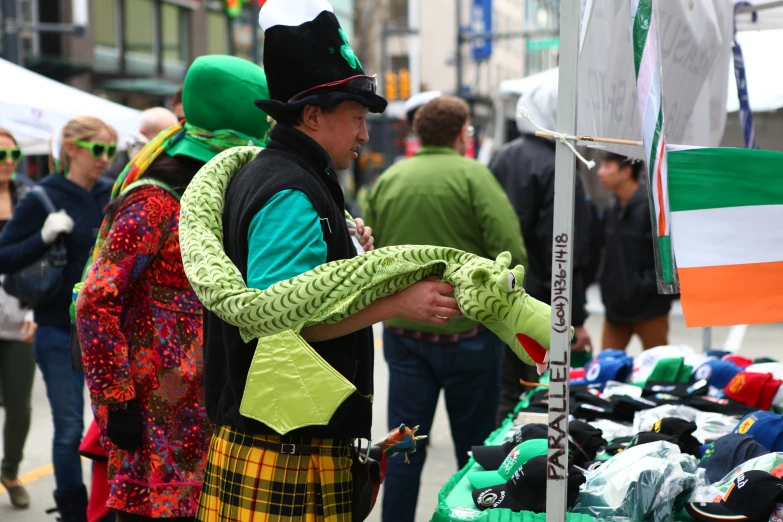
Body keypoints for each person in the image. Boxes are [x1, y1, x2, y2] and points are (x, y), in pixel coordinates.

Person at [194, 3, 463, 520]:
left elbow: (302, 290)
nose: (365, 134)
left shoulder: (287, 174)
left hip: (281, 441)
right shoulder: (292, 188)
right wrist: (396, 301)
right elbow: (285, 325)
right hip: (287, 451)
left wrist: (344, 244)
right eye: (358, 119)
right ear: (313, 115)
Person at [75, 55, 273, 522]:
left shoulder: (220, 204)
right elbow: (94, 303)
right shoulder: (153, 203)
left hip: (211, 423)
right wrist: (116, 398)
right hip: (153, 433)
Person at [363, 96, 528, 522]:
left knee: (402, 450)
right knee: (475, 453)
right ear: (461, 133)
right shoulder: (475, 177)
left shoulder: (389, 179)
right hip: (466, 335)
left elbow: (368, 252)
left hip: (403, 335)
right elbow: (509, 249)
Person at [0, 116, 116, 521]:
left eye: (110, 151)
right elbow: (4, 255)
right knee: (68, 429)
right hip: (56, 328)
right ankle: (72, 511)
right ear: (71, 148)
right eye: (98, 149)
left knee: (108, 428)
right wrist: (44, 236)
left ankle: (105, 508)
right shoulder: (42, 198)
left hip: (106, 330)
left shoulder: (112, 193)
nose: (105, 159)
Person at [489, 89, 597, 424]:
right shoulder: (560, 166)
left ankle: (501, 460)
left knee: (509, 390)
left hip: (501, 294)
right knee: (545, 391)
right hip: (545, 303)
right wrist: (574, 315)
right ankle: (536, 466)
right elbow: (565, 250)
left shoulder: (501, 157)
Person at [597, 152, 672, 350]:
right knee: (605, 369)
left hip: (650, 310)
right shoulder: (611, 208)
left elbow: (666, 260)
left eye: (607, 166)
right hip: (615, 311)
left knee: (658, 372)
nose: (599, 172)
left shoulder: (652, 209)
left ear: (626, 172)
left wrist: (640, 286)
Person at [0, 128, 37, 509]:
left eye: (13, 154)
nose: (9, 161)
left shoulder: (28, 197)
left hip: (19, 318)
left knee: (20, 405)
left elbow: (41, 261)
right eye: (1, 155)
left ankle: (9, 471)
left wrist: (33, 310)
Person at [107, 107, 180, 179]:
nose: (169, 144)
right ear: (142, 135)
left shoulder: (175, 163)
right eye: (165, 138)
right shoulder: (119, 161)